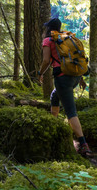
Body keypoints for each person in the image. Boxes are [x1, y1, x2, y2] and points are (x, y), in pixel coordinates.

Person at [38, 17, 92, 157]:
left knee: (70, 111)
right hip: (74, 77)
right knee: (54, 96)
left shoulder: (48, 40)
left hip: (62, 79)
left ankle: (83, 144)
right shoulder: (66, 38)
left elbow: (45, 61)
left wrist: (40, 73)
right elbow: (73, 59)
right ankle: (54, 123)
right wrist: (80, 78)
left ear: (48, 28)